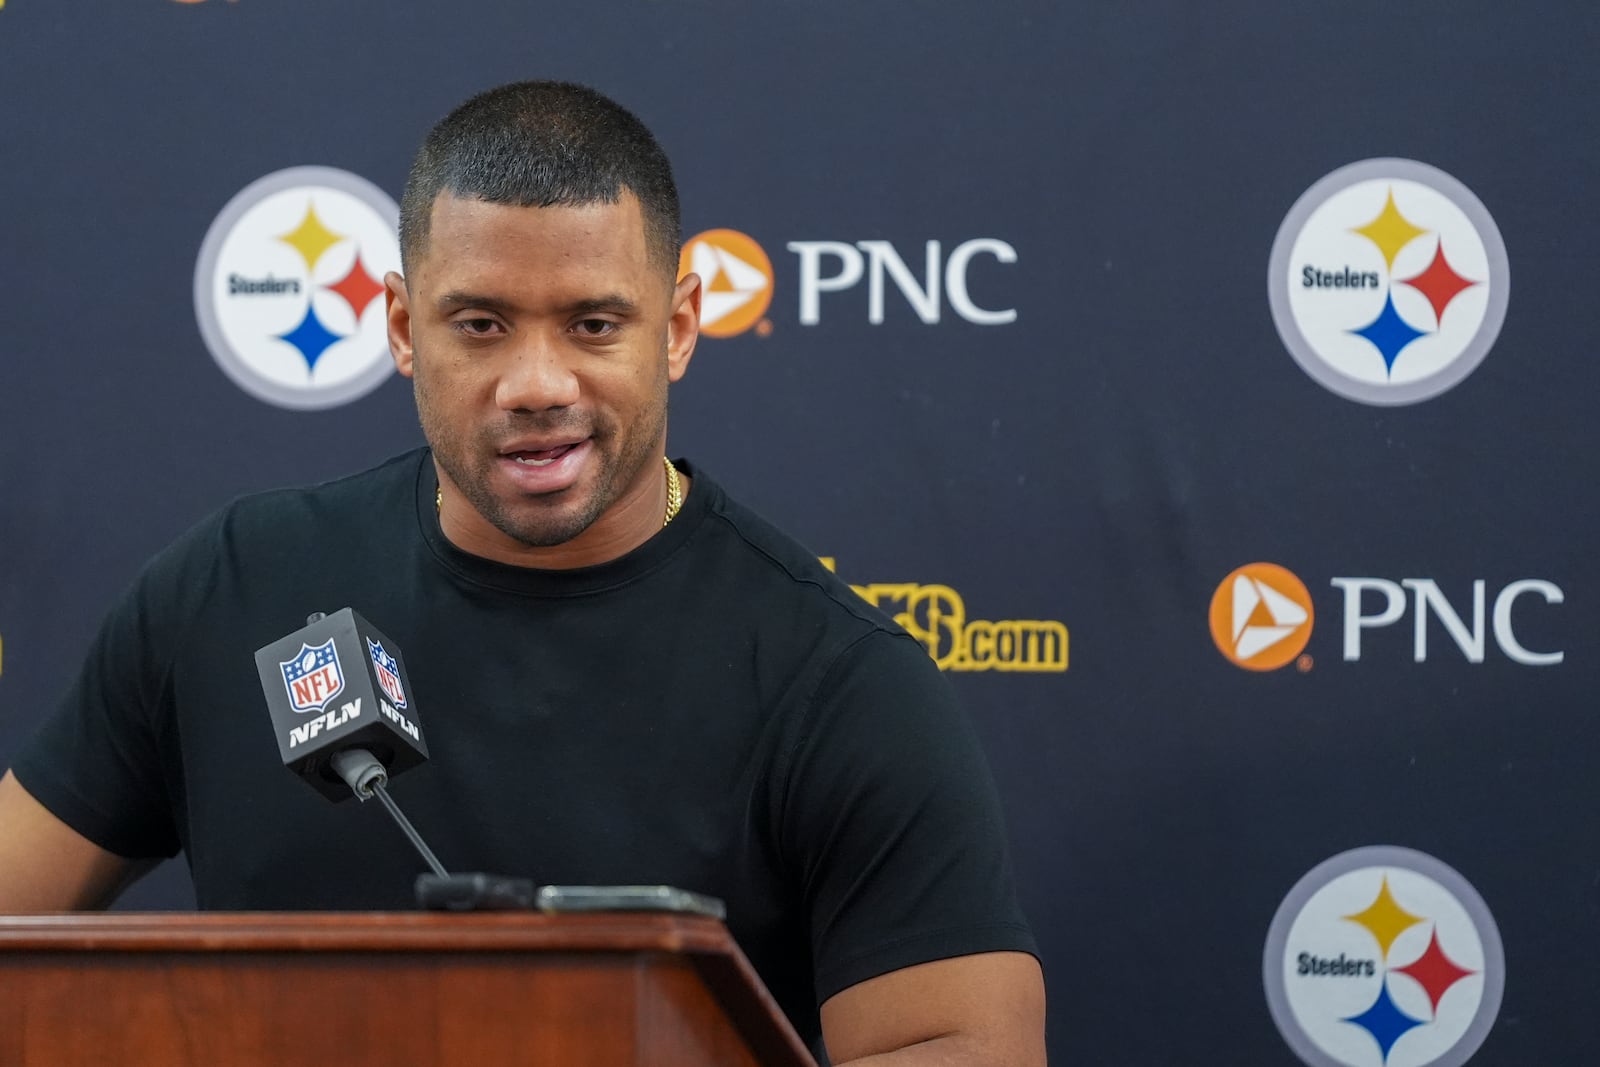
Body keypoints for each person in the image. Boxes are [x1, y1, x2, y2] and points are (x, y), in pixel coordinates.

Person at [0, 81, 1045, 1065]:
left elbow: (955, 1044)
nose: (536, 383)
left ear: (676, 328)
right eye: (481, 324)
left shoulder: (838, 682)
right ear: (405, 329)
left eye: (593, 324)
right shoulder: (230, 589)